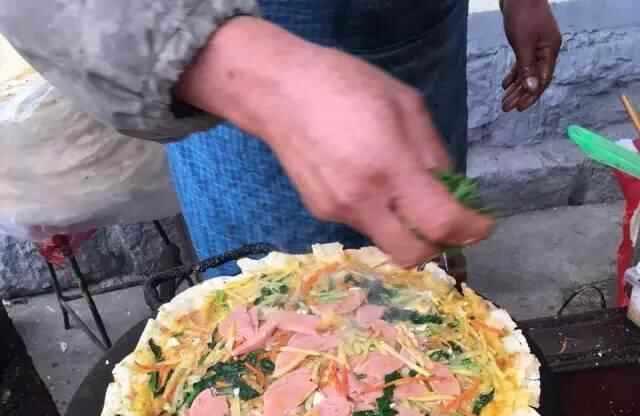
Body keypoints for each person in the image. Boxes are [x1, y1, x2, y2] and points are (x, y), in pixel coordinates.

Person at [0, 0, 561, 269]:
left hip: (416, 27)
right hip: (228, 36)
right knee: (274, 326)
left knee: (425, 291)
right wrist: (240, 70)